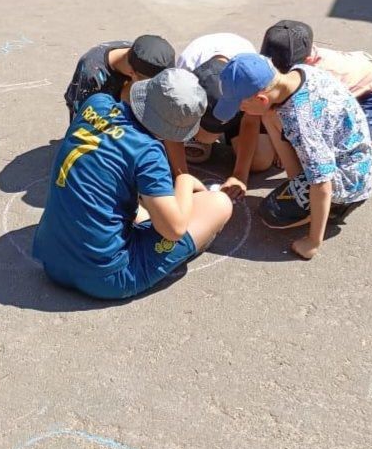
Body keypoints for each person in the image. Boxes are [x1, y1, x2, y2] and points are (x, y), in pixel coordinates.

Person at [33, 68, 233, 299]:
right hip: (107, 277)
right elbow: (174, 230)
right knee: (219, 203)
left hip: (52, 260)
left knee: (138, 206)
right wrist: (185, 181)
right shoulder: (148, 152)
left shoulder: (96, 104)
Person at [214, 53, 372, 260]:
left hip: (348, 181)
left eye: (241, 106)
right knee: (270, 114)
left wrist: (313, 242)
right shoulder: (300, 73)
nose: (240, 111)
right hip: (350, 154)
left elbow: (322, 184)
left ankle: (336, 208)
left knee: (272, 213)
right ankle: (299, 181)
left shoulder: (300, 120)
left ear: (261, 98)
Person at [167, 33, 274, 199]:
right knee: (202, 145)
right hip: (215, 104)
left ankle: (210, 132)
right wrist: (183, 176)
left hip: (237, 101)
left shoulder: (247, 74)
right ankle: (201, 134)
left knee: (260, 161)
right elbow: (171, 126)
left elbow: (250, 121)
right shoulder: (184, 74)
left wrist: (240, 175)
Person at [260, 20, 372, 143]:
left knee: (356, 142)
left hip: (367, 90)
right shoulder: (297, 59)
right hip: (339, 86)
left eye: (285, 70)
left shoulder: (323, 77)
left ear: (308, 61)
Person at [64, 35, 175, 123]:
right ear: (132, 74)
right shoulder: (92, 74)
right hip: (93, 113)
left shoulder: (140, 56)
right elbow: (81, 121)